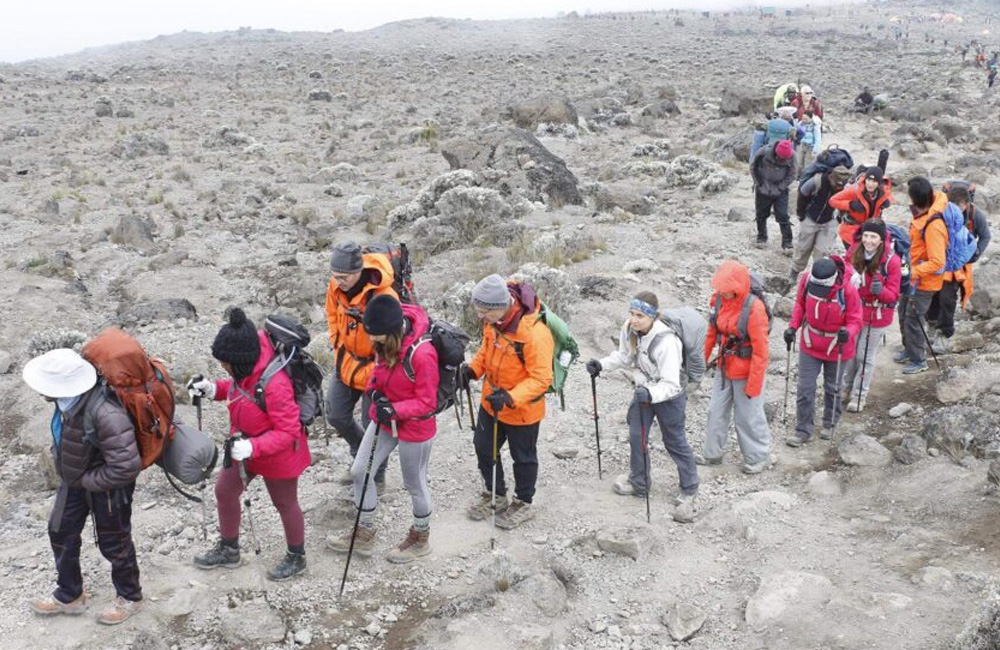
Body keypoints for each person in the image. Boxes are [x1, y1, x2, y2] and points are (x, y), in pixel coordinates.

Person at [22, 349, 144, 625]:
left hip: (108, 487)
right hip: (75, 478)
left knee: (116, 542)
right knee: (60, 530)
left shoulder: (105, 413)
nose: (41, 391)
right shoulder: (67, 403)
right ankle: (69, 594)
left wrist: (88, 481)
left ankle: (131, 597)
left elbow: (126, 466)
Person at [190, 307, 311, 581]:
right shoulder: (247, 364)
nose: (223, 366)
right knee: (224, 490)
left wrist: (254, 447)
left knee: (285, 503)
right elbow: (238, 389)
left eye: (225, 364)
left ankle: (297, 556)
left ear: (240, 361)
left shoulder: (275, 384)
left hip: (278, 454)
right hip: (244, 445)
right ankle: (229, 549)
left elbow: (289, 431)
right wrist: (212, 389)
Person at [327, 295, 439, 562]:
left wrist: (396, 410)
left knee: (414, 483)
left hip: (415, 426)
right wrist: (374, 393)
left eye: (376, 339)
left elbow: (427, 402)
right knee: (360, 470)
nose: (372, 344)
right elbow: (376, 374)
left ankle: (421, 538)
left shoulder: (423, 354)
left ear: (392, 333)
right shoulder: (383, 342)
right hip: (385, 419)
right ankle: (364, 532)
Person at [586, 292, 700, 523]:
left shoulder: (667, 342)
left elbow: (671, 383)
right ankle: (639, 483)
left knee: (674, 441)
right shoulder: (630, 329)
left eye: (640, 315)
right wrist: (602, 364)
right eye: (632, 313)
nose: (634, 319)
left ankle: (689, 488)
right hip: (643, 390)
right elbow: (624, 356)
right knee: (637, 435)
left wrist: (649, 392)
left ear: (653, 316)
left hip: (668, 396)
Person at [459, 274, 554, 530]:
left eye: (483, 312)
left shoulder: (535, 334)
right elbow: (485, 352)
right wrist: (473, 371)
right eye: (478, 311)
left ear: (501, 305)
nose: (480, 317)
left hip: (522, 410)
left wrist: (511, 397)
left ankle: (523, 502)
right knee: (483, 446)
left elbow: (542, 378)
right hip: (491, 403)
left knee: (523, 457)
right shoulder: (494, 322)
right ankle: (495, 494)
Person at [324, 241, 397, 486]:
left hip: (376, 367)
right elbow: (332, 314)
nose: (338, 281)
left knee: (374, 425)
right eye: (335, 275)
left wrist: (383, 367)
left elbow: (396, 337)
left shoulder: (384, 295)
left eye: (344, 276)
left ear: (358, 271)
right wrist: (337, 343)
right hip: (346, 361)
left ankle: (376, 476)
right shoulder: (335, 286)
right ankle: (360, 455)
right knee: (335, 414)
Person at [698, 261, 772, 473]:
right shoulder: (719, 300)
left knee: (748, 415)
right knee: (715, 411)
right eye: (720, 289)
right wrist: (700, 364)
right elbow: (711, 333)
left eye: (726, 289)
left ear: (737, 287)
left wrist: (754, 385)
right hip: (724, 367)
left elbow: (761, 351)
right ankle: (712, 454)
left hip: (747, 371)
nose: (722, 292)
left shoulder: (755, 309)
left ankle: (759, 456)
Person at [785, 257, 862, 446]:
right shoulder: (806, 280)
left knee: (833, 387)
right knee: (805, 388)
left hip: (837, 346)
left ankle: (831, 423)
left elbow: (856, 319)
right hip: (810, 342)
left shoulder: (848, 290)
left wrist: (848, 332)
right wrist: (793, 327)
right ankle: (803, 430)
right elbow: (800, 304)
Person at [842, 220, 902, 412]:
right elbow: (842, 275)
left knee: (864, 356)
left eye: (873, 236)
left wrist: (881, 290)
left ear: (881, 239)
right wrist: (848, 280)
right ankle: (845, 388)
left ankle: (859, 396)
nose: (868, 240)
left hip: (877, 315)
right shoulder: (853, 252)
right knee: (850, 353)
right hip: (854, 312)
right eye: (866, 235)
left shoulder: (892, 261)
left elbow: (893, 295)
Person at [926, 184, 992, 352]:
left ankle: (944, 333)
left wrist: (975, 253)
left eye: (959, 207)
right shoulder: (940, 211)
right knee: (932, 293)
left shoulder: (976, 216)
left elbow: (985, 235)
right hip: (938, 259)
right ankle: (932, 325)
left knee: (947, 297)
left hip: (960, 262)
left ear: (966, 204)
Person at [895, 177, 948, 374]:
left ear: (915, 198)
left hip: (924, 283)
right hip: (911, 278)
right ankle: (909, 350)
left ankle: (919, 360)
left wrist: (913, 272)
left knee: (913, 318)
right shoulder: (921, 214)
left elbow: (938, 261)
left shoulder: (934, 226)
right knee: (903, 313)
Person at [791, 165, 852, 281]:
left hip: (830, 222)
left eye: (841, 185)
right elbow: (803, 194)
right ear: (831, 177)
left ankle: (817, 277)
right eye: (837, 184)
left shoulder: (846, 188)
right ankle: (794, 272)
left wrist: (839, 218)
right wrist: (801, 214)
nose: (838, 187)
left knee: (823, 251)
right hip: (810, 218)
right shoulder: (817, 181)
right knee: (803, 248)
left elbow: (847, 202)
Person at [829, 166, 893, 248]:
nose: (870, 184)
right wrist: (850, 205)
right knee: (854, 259)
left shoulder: (883, 191)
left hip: (870, 230)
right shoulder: (854, 190)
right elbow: (833, 200)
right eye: (868, 180)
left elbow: (889, 196)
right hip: (851, 232)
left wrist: (888, 201)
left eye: (874, 181)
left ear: (879, 183)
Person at [750, 140, 797, 251]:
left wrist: (781, 187)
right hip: (763, 189)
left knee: (783, 215)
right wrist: (759, 183)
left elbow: (792, 174)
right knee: (761, 215)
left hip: (781, 191)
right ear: (776, 153)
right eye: (781, 159)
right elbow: (753, 167)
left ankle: (787, 243)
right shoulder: (763, 152)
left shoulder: (792, 156)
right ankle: (761, 238)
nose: (783, 161)